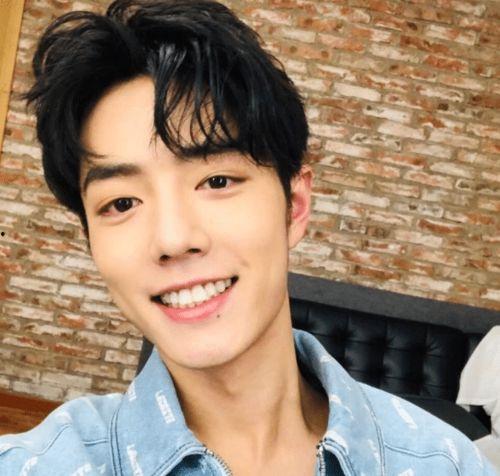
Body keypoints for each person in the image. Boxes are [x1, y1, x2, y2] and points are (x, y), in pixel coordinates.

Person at [0, 1, 495, 474]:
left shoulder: (443, 462)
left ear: (293, 205)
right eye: (122, 203)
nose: (173, 239)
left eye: (216, 181)